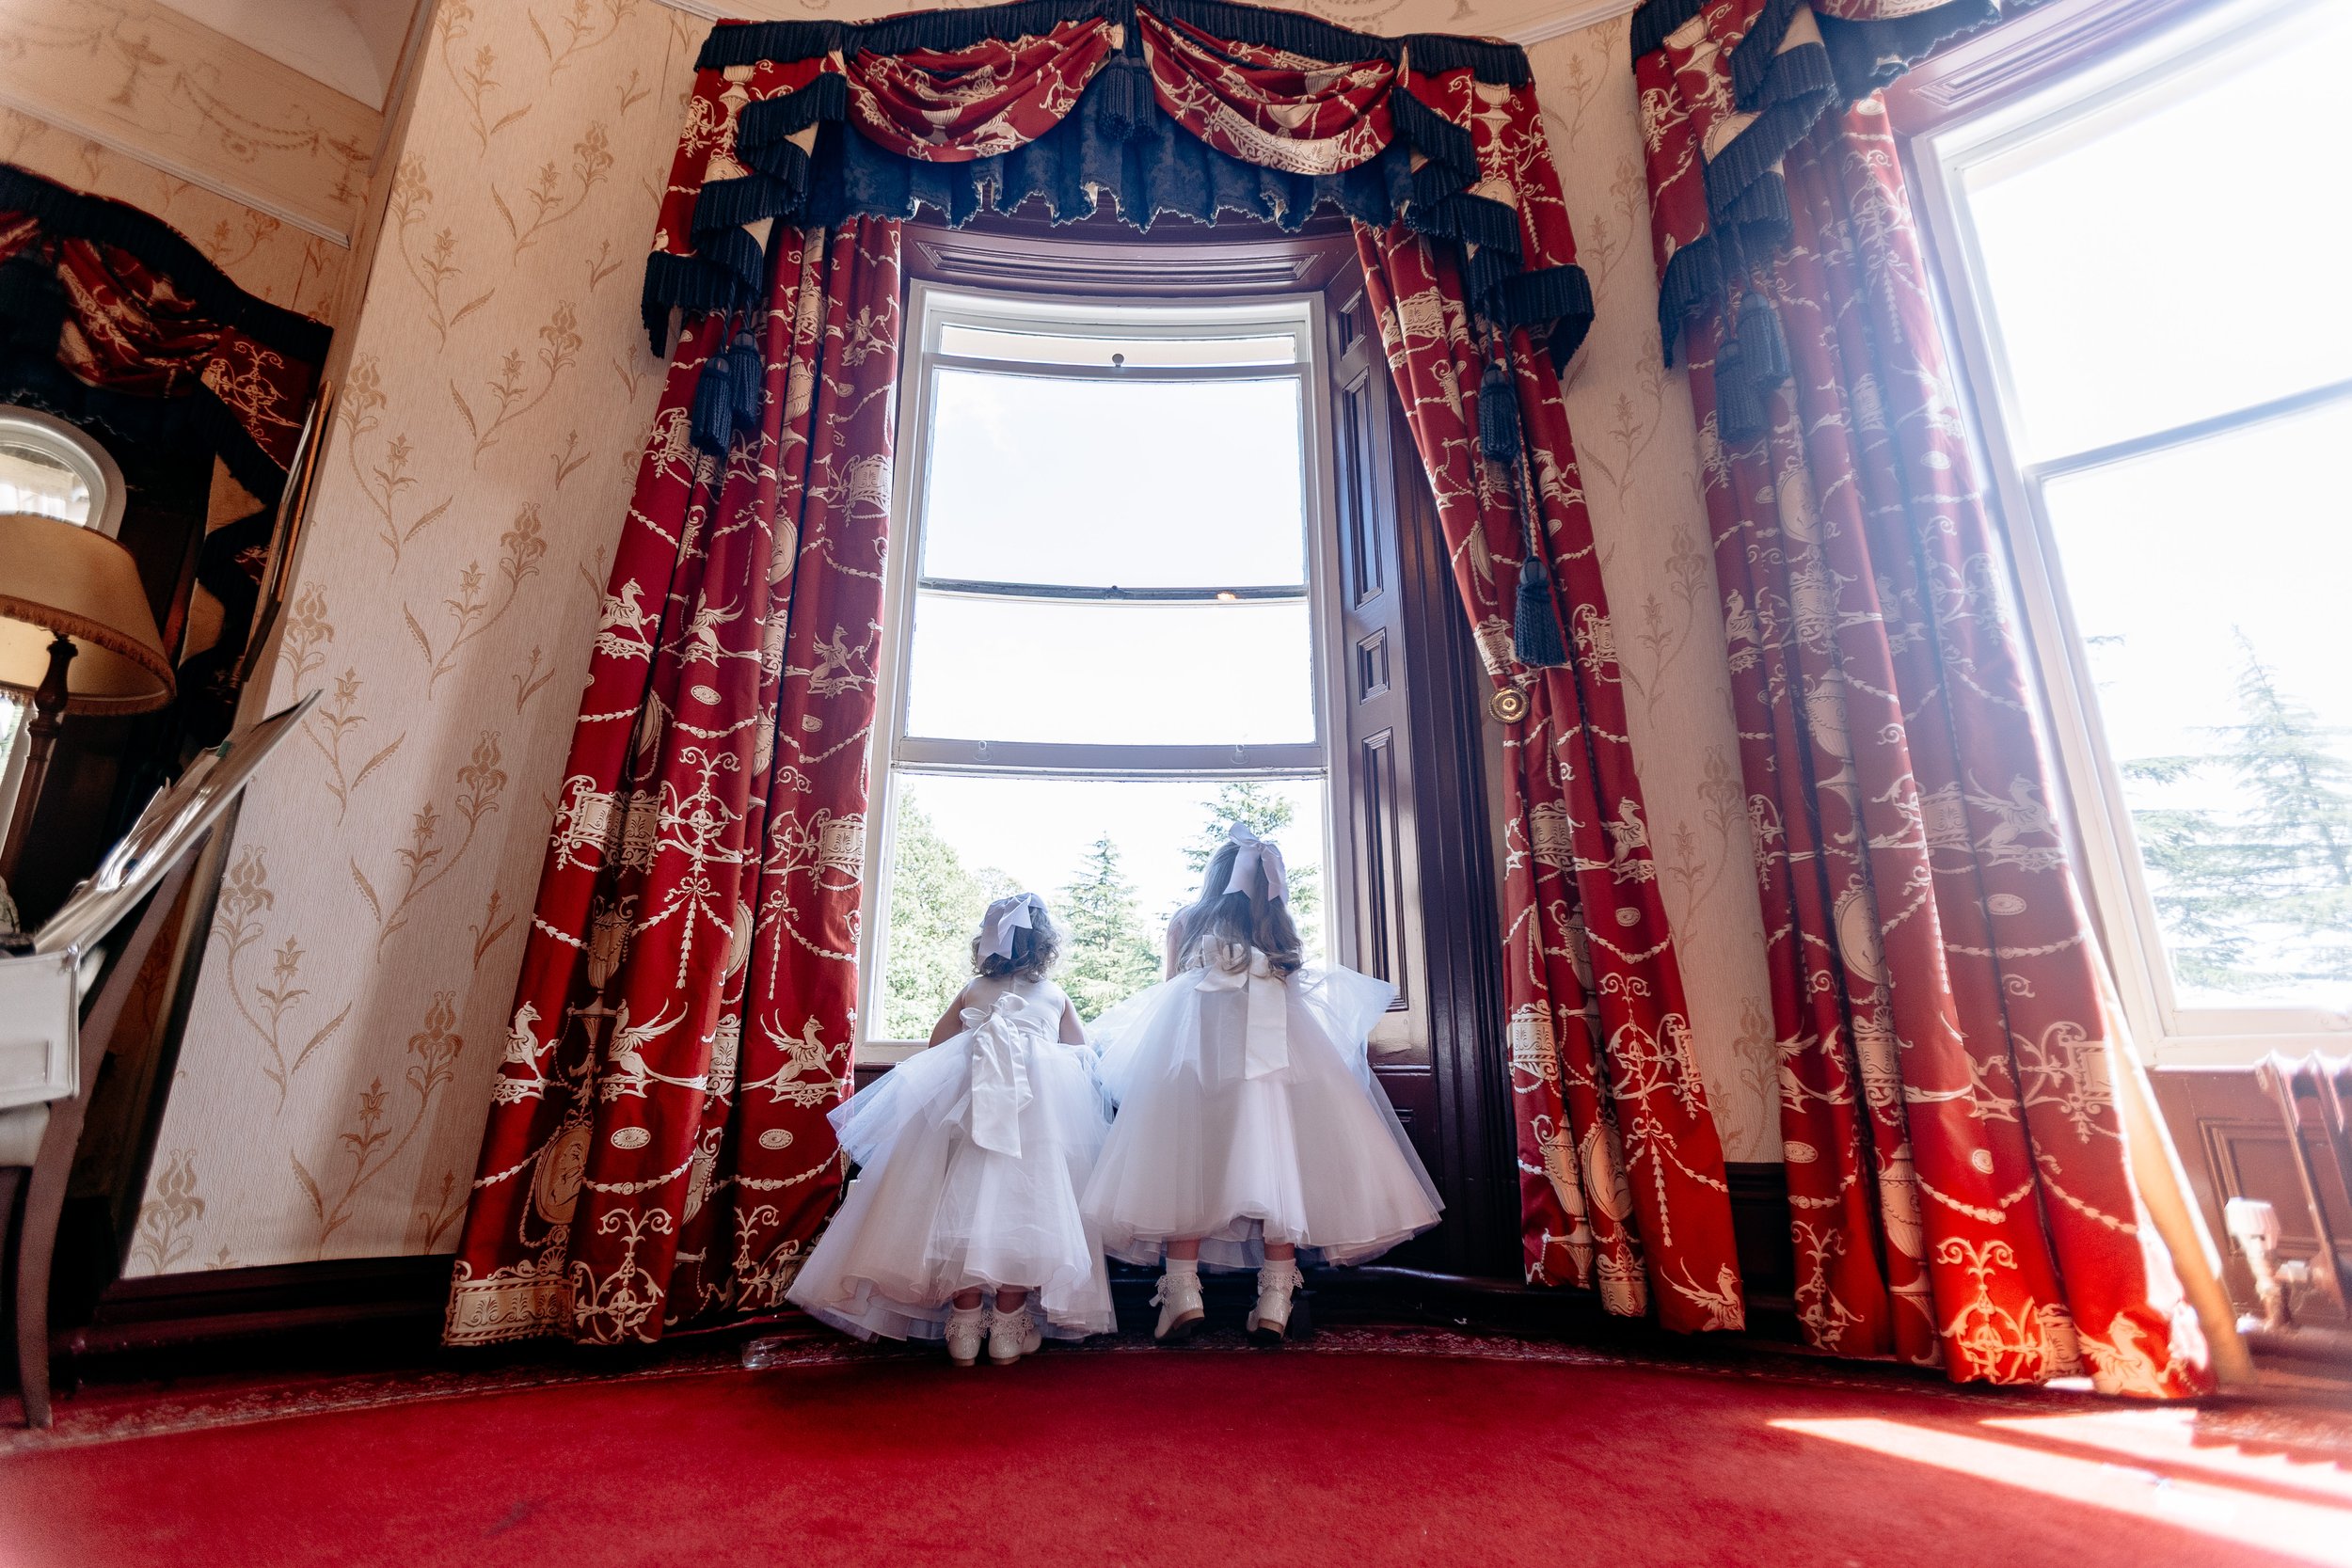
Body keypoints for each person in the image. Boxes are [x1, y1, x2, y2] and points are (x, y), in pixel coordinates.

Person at [1083, 823, 1442, 1345]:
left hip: (1199, 1065)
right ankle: (1275, 1298)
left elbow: (1168, 994)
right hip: (1275, 1064)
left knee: (1186, 1165)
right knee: (1282, 1168)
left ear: (1216, 877)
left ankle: (1182, 1294)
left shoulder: (1188, 920)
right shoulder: (1275, 921)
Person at [788, 893, 1114, 1366]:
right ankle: (1007, 1326)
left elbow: (937, 1043)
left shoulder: (973, 990)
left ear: (987, 943)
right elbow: (1082, 1053)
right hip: (1033, 1121)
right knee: (1024, 1213)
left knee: (956, 1211)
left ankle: (963, 1328)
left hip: (968, 1113)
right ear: (1045, 944)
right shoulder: (1055, 995)